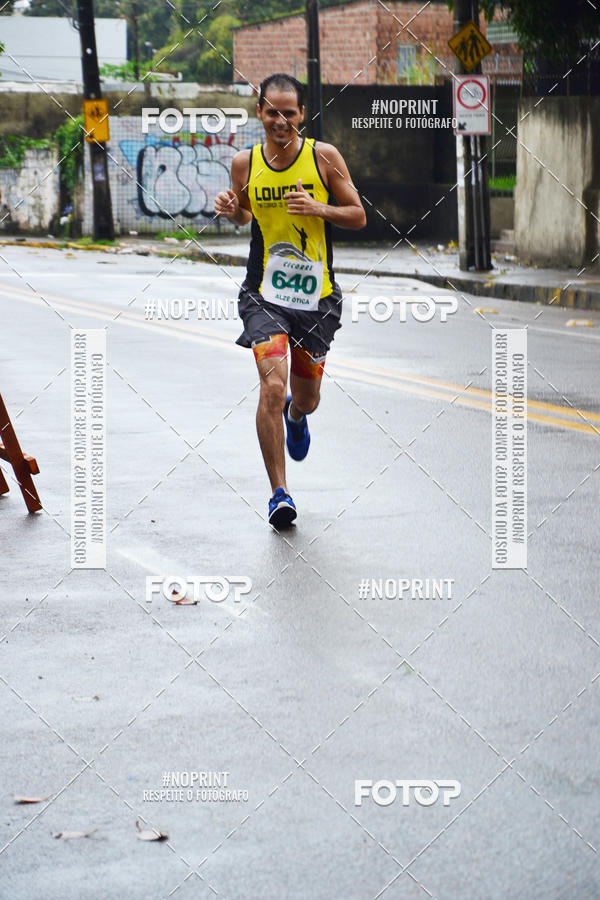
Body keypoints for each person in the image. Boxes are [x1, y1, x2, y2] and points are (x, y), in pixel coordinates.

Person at [214, 73, 366, 529]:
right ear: (259, 113)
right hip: (264, 296)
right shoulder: (245, 162)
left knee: (305, 398)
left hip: (316, 298)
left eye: (290, 112)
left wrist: (319, 208)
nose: (281, 121)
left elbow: (358, 215)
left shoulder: (323, 158)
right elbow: (246, 214)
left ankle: (297, 418)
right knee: (272, 388)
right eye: (272, 112)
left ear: (303, 114)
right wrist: (230, 207)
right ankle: (279, 494)